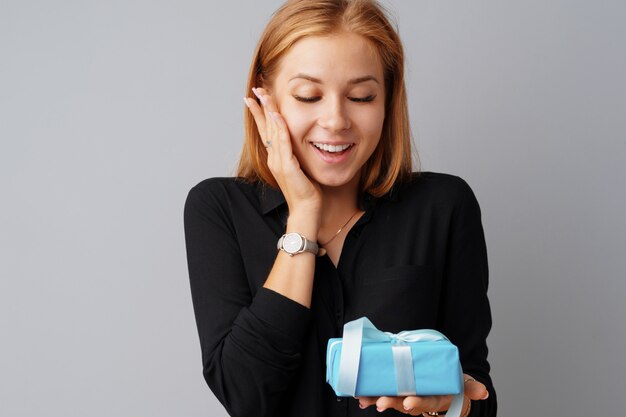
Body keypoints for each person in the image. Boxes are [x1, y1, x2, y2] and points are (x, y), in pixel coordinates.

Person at [183, 0, 496, 416]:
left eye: (362, 96)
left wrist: (452, 404)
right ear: (266, 96)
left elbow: (478, 392)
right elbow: (246, 396)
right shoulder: (217, 208)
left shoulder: (444, 206)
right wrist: (303, 218)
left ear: (387, 99)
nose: (335, 120)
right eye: (308, 95)